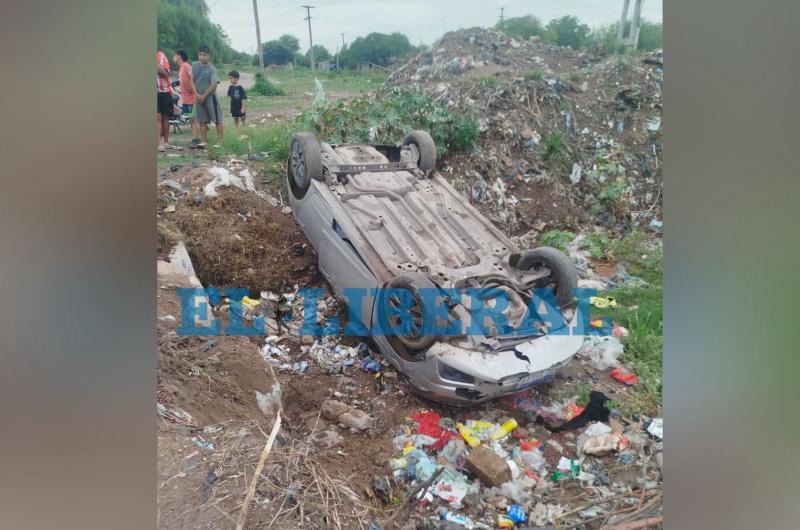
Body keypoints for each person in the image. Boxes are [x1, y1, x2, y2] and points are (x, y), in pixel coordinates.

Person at [191, 44, 223, 146]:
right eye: (200, 54)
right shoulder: (194, 65)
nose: (202, 57)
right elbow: (192, 80)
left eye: (204, 55)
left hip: (210, 97)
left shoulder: (212, 69)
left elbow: (214, 85)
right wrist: (196, 94)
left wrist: (204, 96)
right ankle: (204, 141)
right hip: (198, 97)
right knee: (202, 120)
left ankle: (220, 142)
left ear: (208, 56)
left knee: (217, 119)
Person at [173, 49, 201, 147]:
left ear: (179, 56)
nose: (173, 58)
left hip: (191, 98)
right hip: (186, 99)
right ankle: (195, 138)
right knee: (191, 119)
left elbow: (194, 78)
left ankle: (196, 139)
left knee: (194, 119)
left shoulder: (186, 66)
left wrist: (194, 92)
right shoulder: (181, 68)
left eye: (174, 56)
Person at [156, 49, 173, 150]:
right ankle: (159, 144)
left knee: (165, 117)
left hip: (164, 91)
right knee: (157, 117)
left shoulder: (161, 56)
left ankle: (166, 142)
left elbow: (166, 73)